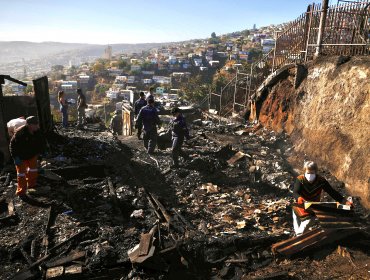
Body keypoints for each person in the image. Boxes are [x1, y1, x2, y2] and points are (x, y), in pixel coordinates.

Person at [292, 161, 353, 236]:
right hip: (300, 205)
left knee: (308, 221)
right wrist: (299, 198)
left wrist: (345, 201)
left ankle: (299, 237)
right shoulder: (300, 179)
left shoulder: (321, 181)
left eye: (312, 173)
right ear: (304, 171)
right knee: (297, 223)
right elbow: (295, 192)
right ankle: (298, 236)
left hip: (313, 206)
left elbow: (332, 192)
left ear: (316, 171)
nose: (310, 176)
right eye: (308, 173)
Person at [9, 116, 46, 196]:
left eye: (37, 124)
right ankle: (21, 191)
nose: (37, 126)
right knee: (21, 174)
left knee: (33, 170)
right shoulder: (20, 133)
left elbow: (41, 142)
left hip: (32, 155)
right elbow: (12, 145)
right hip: (21, 156)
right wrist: (15, 157)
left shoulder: (37, 132)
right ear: (29, 125)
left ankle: (32, 185)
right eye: (35, 124)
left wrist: (42, 152)